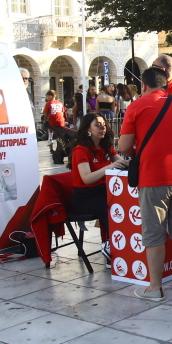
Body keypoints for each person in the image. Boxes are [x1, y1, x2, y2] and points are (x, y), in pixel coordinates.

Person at [119, 67, 172, 300]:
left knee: (154, 232)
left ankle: (155, 287)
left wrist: (140, 151)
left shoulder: (137, 106)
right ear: (166, 83)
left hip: (154, 175)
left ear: (143, 85)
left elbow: (124, 146)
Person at [70, 113, 127, 266]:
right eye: (97, 125)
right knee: (111, 208)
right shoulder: (81, 149)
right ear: (88, 129)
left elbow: (121, 163)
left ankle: (124, 246)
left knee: (124, 202)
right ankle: (113, 251)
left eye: (103, 124)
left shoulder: (105, 146)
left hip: (102, 191)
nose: (102, 127)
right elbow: (87, 178)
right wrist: (109, 167)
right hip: (84, 197)